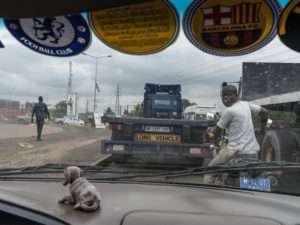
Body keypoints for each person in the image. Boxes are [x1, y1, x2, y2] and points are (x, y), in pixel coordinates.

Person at [204, 83, 268, 184]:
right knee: (253, 180)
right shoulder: (246, 105)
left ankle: (210, 192)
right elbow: (264, 112)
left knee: (210, 172)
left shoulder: (229, 111)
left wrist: (216, 144)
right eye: (224, 95)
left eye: (228, 95)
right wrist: (262, 129)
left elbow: (217, 131)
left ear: (236, 95)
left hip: (235, 153)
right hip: (252, 153)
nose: (225, 98)